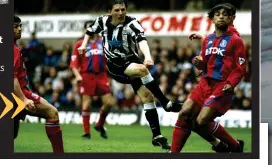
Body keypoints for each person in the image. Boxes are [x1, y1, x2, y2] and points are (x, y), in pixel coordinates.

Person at [77, 0, 183, 150]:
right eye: (117, 10)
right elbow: (90, 30)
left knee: (147, 97)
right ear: (110, 11)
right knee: (142, 70)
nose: (121, 13)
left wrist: (147, 56)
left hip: (132, 62)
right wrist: (83, 44)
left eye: (123, 10)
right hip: (115, 66)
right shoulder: (102, 21)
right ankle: (166, 103)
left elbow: (142, 40)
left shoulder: (133, 23)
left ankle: (156, 135)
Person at [170, 4, 246, 153]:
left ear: (231, 19)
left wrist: (231, 83)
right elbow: (205, 64)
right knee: (185, 113)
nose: (222, 16)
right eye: (218, 14)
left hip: (221, 86)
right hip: (204, 84)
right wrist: (200, 63)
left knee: (201, 121)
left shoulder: (235, 40)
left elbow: (241, 67)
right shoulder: (208, 39)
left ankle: (235, 146)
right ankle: (174, 154)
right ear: (212, 19)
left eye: (225, 14)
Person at [13, 15, 64, 153]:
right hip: (17, 95)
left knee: (11, 134)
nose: (20, 29)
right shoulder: (12, 49)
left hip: (13, 96)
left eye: (20, 26)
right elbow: (12, 79)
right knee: (52, 113)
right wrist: (23, 99)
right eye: (15, 26)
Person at [70, 20, 116, 139]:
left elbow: (110, 60)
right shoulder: (79, 44)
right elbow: (74, 64)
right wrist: (78, 76)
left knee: (109, 102)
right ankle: (86, 133)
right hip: (86, 76)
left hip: (101, 75)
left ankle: (99, 124)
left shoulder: (103, 42)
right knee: (86, 104)